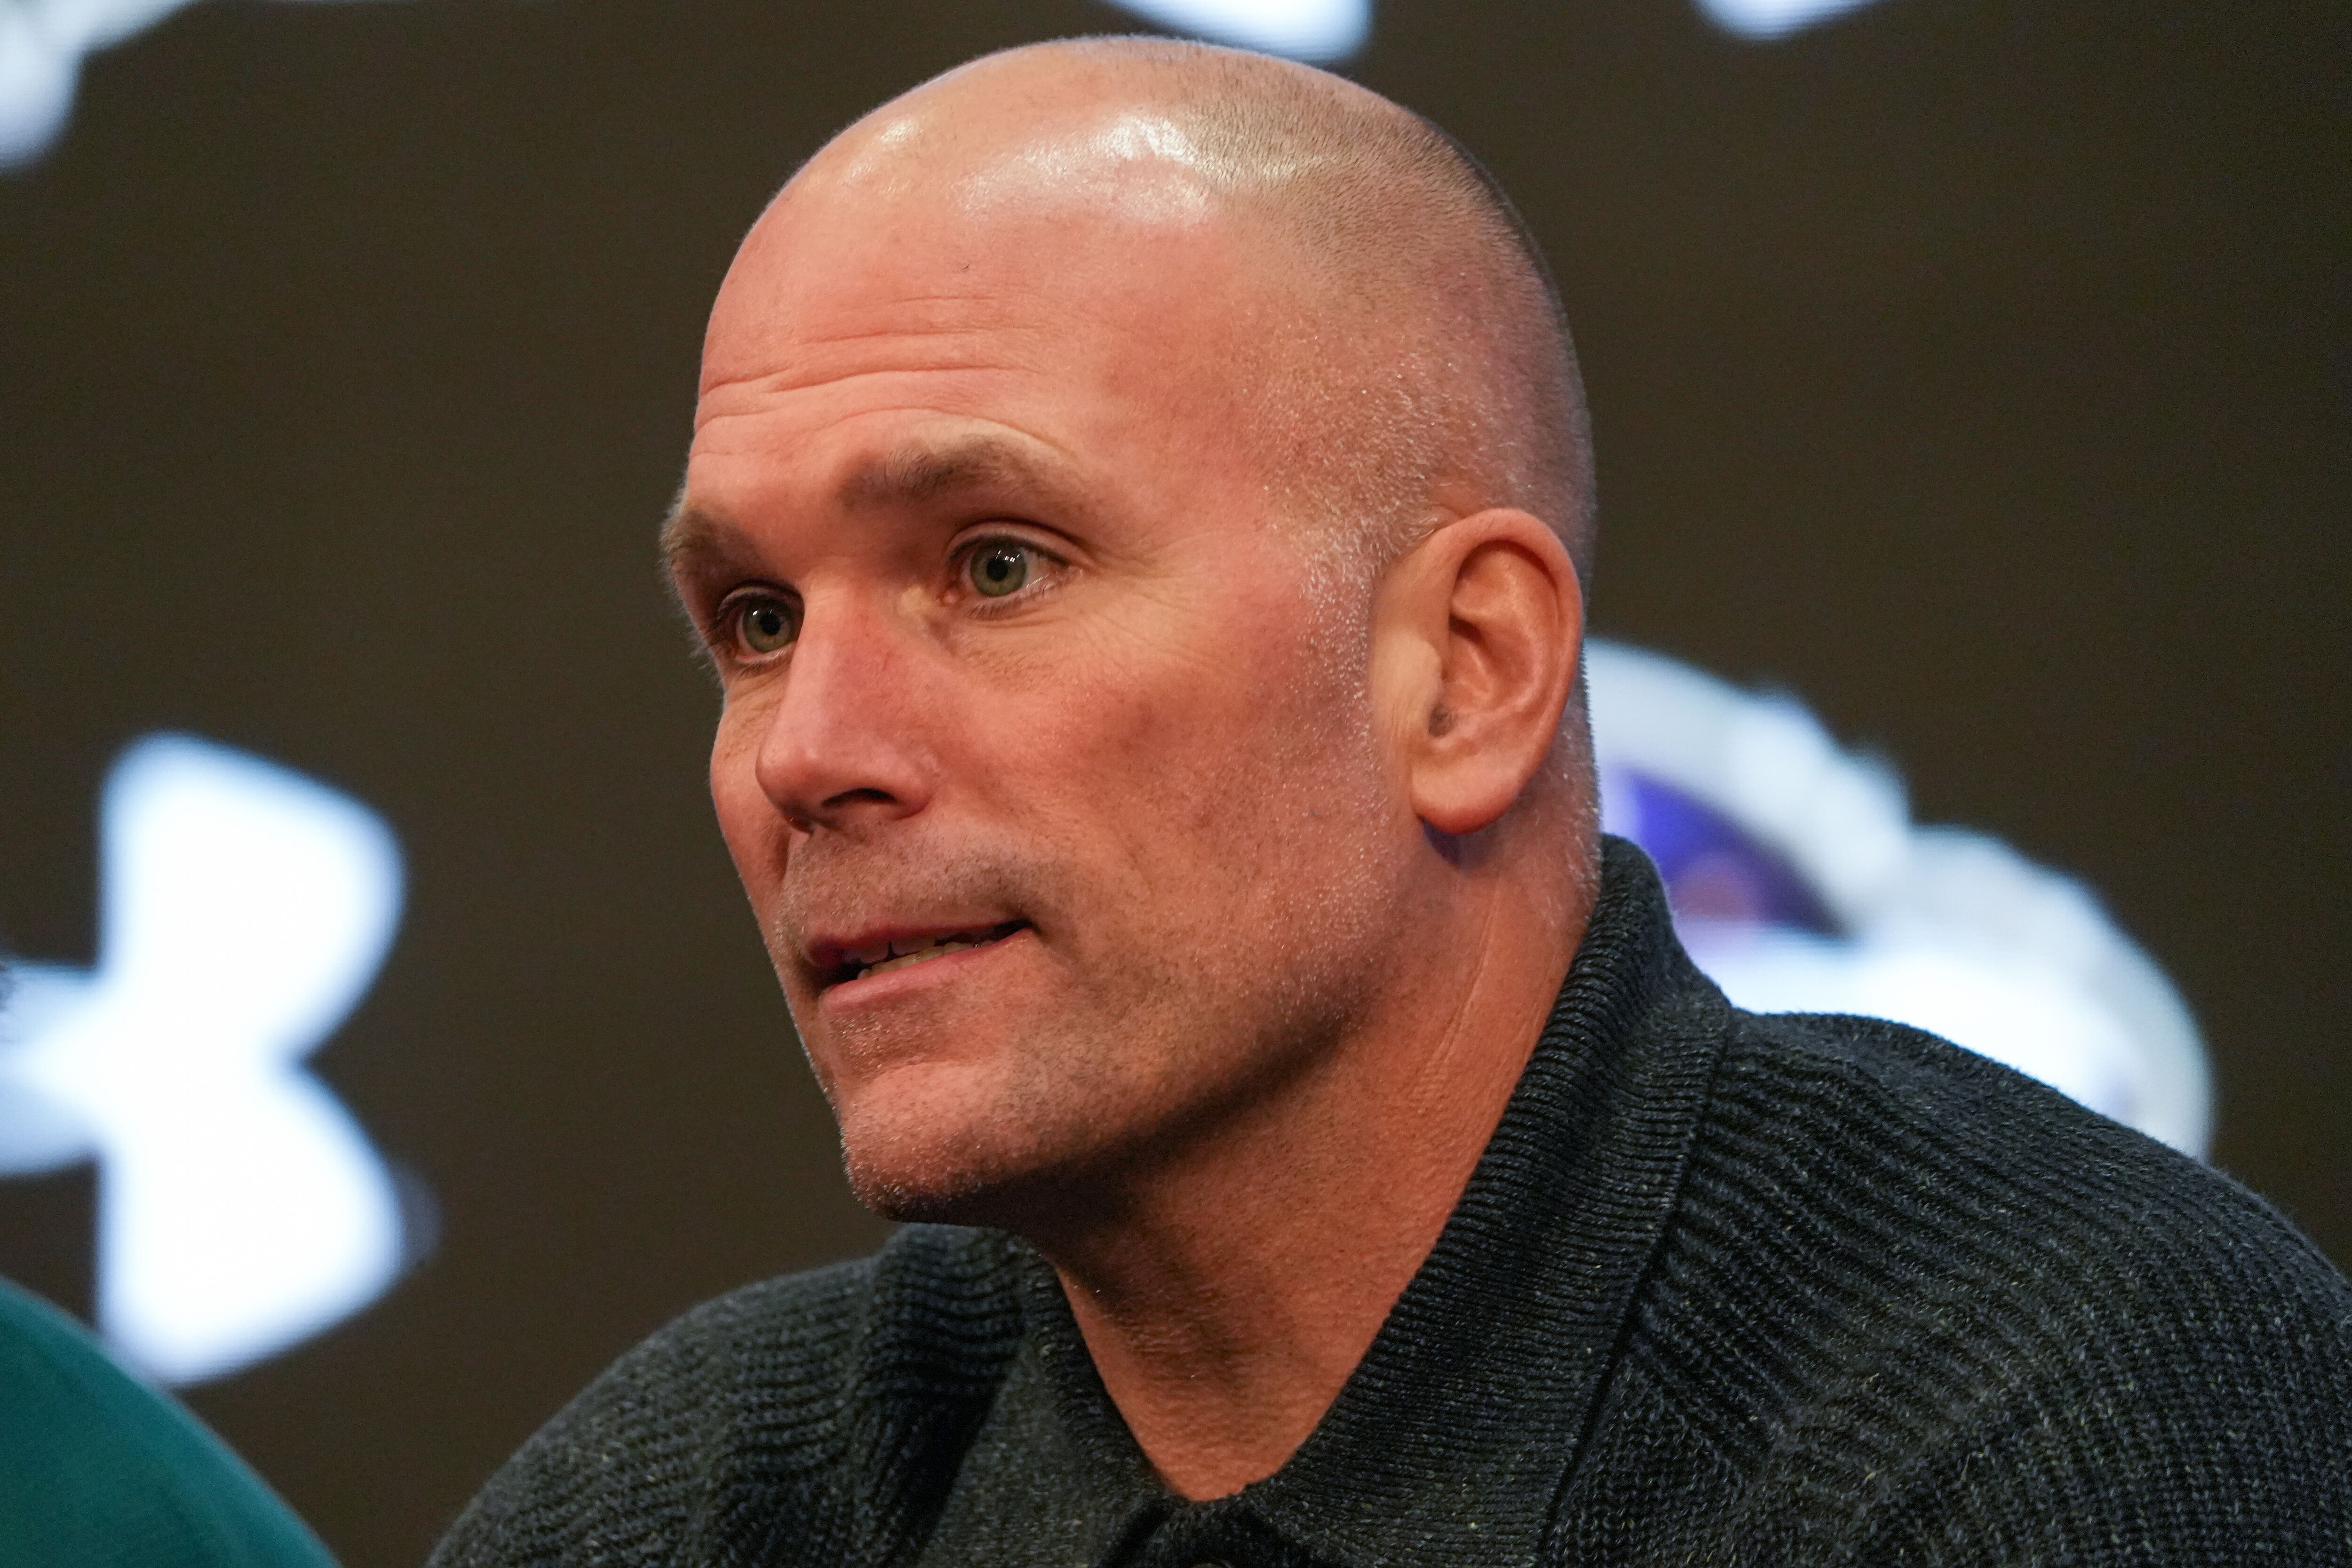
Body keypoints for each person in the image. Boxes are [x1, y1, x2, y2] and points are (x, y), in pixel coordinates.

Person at [433, 37, 2352, 1566]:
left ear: (1465, 674)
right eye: (754, 619)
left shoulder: (2065, 1416)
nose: (802, 749)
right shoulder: (707, 1502)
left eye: (995, 566)